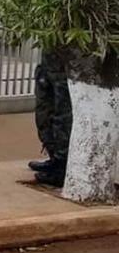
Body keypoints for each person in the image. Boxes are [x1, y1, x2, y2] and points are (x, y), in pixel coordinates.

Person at [27, 51, 72, 187]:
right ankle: (54, 158)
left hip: (65, 69)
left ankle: (61, 165)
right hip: (49, 66)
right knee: (44, 112)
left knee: (63, 116)